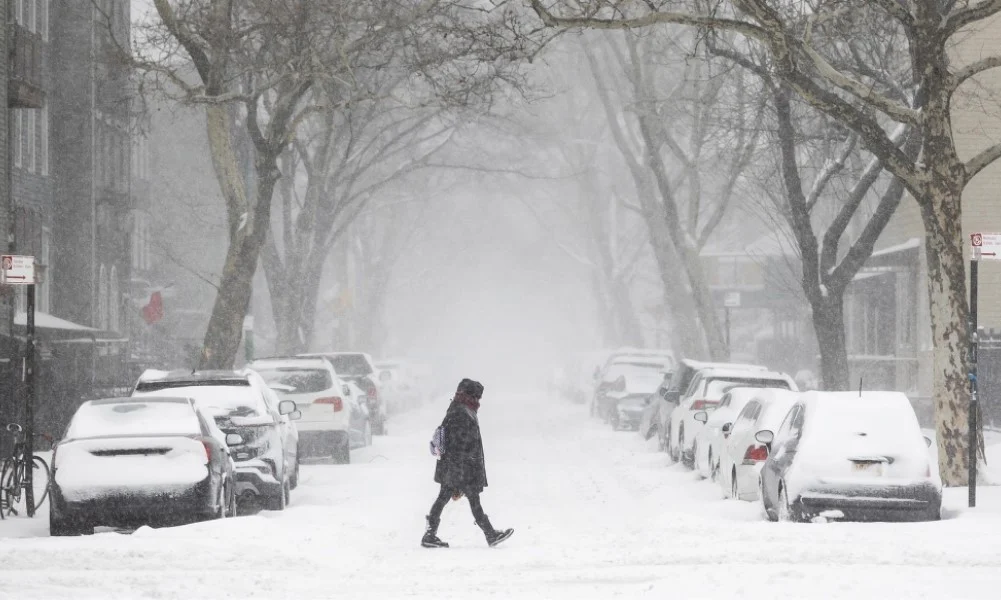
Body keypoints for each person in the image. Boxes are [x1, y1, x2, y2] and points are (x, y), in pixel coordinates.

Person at [422, 378, 513, 548]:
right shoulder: (461, 412)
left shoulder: (460, 408)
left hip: (457, 466)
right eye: (477, 397)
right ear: (470, 395)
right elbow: (459, 444)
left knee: (447, 498)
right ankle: (490, 534)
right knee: (468, 500)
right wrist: (459, 475)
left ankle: (430, 534)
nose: (478, 401)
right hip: (461, 467)